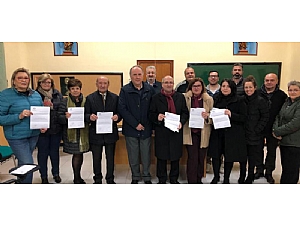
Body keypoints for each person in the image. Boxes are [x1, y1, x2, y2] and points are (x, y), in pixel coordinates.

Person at [0, 67, 43, 184]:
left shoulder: (36, 95)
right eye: (20, 78)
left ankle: (20, 183)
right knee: (28, 163)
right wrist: (18, 116)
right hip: (16, 136)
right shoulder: (5, 95)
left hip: (33, 134)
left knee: (23, 164)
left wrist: (42, 125)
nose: (23, 80)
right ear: (14, 80)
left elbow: (40, 112)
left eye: (26, 78)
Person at [118, 65, 155, 184]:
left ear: (143, 75)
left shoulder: (150, 89)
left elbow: (153, 108)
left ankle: (146, 175)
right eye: (135, 74)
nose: (137, 77)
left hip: (146, 128)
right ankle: (135, 176)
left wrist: (146, 123)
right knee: (133, 154)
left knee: (146, 154)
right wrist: (135, 124)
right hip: (131, 128)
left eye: (139, 74)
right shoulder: (125, 90)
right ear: (130, 76)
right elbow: (122, 109)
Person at [149, 75, 189, 184]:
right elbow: (151, 113)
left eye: (171, 82)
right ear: (162, 84)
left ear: (173, 84)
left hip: (176, 131)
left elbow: (185, 112)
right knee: (161, 157)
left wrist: (181, 122)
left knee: (175, 156)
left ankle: (173, 178)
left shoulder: (180, 97)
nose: (168, 84)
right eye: (166, 82)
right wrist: (157, 117)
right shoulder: (156, 97)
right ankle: (161, 178)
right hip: (162, 131)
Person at [208, 79, 247, 184]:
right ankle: (216, 176)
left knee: (228, 157)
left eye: (228, 86)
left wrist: (231, 114)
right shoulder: (215, 99)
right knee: (216, 156)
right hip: (217, 132)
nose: (225, 88)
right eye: (223, 86)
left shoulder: (239, 100)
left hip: (232, 133)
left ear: (232, 88)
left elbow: (244, 117)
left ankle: (226, 178)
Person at [85, 76, 122, 184]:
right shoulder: (90, 98)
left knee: (110, 159)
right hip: (96, 134)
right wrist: (89, 117)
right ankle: (97, 179)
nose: (102, 85)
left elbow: (119, 113)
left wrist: (117, 117)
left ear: (108, 84)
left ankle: (110, 179)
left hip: (110, 133)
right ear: (96, 84)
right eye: (100, 83)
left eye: (105, 83)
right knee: (96, 159)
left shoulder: (115, 98)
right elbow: (86, 114)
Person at [255, 73, 287, 183]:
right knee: (257, 150)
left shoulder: (282, 95)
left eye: (272, 80)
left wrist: (279, 128)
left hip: (273, 128)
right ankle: (259, 170)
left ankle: (269, 172)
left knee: (271, 151)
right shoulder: (257, 93)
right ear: (264, 81)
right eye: (267, 80)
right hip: (258, 127)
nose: (269, 82)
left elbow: (283, 113)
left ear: (276, 81)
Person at [58, 78, 89, 184]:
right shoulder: (64, 101)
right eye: (72, 88)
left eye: (77, 88)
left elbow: (89, 114)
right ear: (69, 90)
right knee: (76, 154)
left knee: (80, 154)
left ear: (80, 89)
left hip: (83, 132)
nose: (75, 90)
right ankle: (76, 177)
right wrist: (65, 117)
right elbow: (59, 117)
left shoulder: (86, 100)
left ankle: (78, 176)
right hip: (70, 132)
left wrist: (87, 117)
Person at [183, 78, 213, 184]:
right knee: (192, 158)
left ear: (202, 87)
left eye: (198, 86)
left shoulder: (208, 99)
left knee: (201, 157)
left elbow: (213, 117)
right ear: (191, 87)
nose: (196, 88)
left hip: (203, 132)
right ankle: (191, 181)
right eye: (194, 86)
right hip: (190, 132)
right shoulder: (185, 98)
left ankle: (199, 179)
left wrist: (207, 116)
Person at [36, 73, 63, 184]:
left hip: (56, 128)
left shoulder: (57, 94)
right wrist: (43, 106)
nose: (47, 84)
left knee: (55, 153)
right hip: (41, 130)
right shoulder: (35, 95)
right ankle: (43, 176)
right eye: (44, 82)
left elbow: (61, 109)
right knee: (42, 153)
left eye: (49, 82)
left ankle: (56, 173)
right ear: (40, 83)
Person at [273, 81, 300, 184]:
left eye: (296, 90)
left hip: (295, 143)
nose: (292, 92)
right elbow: (278, 117)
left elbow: (295, 124)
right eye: (290, 90)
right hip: (284, 142)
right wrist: (275, 130)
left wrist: (278, 131)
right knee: (286, 168)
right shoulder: (287, 102)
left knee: (292, 170)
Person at [243, 76, 269, 183]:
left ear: (255, 87)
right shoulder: (242, 99)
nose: (248, 90)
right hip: (244, 133)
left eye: (250, 87)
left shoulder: (261, 100)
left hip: (255, 134)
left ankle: (250, 176)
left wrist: (257, 130)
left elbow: (265, 117)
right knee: (244, 156)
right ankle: (243, 174)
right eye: (246, 87)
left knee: (253, 157)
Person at [206, 70, 221, 173]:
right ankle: (207, 163)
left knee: (218, 143)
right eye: (211, 76)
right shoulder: (204, 91)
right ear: (208, 78)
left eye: (215, 76)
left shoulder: (223, 89)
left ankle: (220, 165)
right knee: (207, 142)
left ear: (218, 78)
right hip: (206, 121)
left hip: (219, 121)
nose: (213, 78)